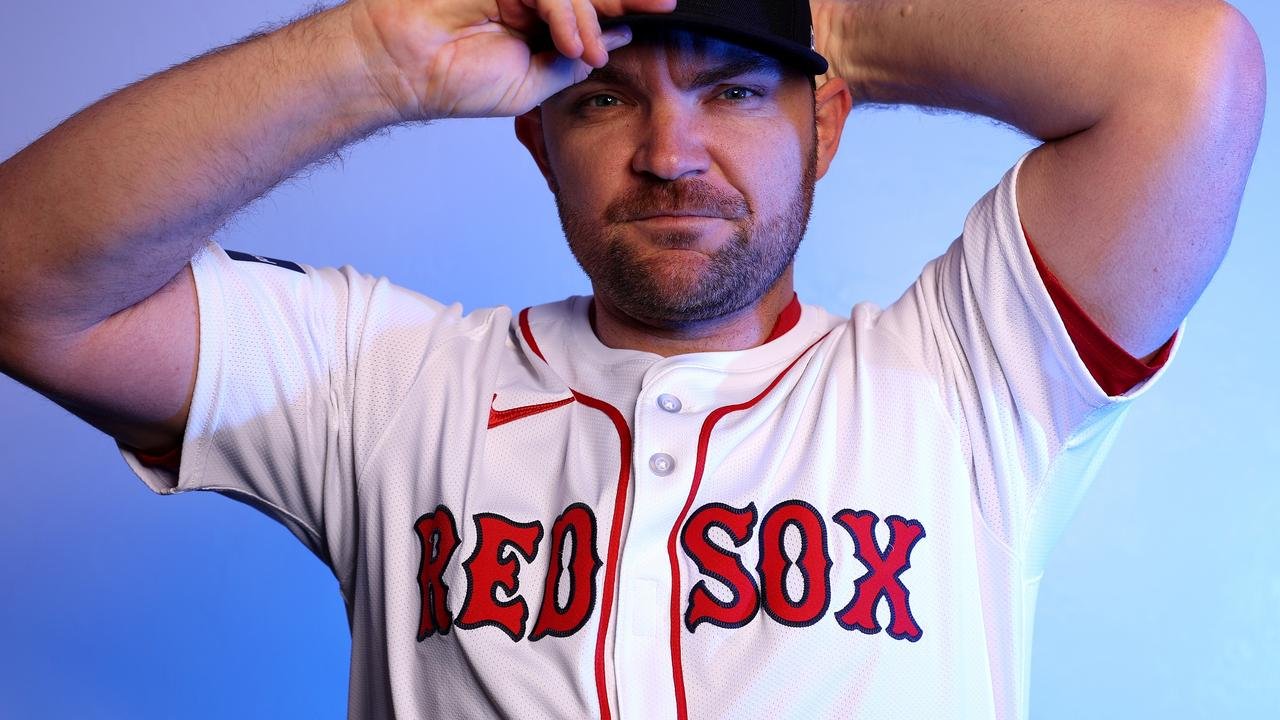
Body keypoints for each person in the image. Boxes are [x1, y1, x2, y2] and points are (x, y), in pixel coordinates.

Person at [0, 0, 1264, 717]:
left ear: (827, 121)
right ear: (537, 136)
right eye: (607, 99)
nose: (669, 152)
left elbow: (1191, 74)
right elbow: (24, 281)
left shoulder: (968, 377)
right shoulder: (385, 386)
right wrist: (379, 57)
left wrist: (832, 17)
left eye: (736, 91)